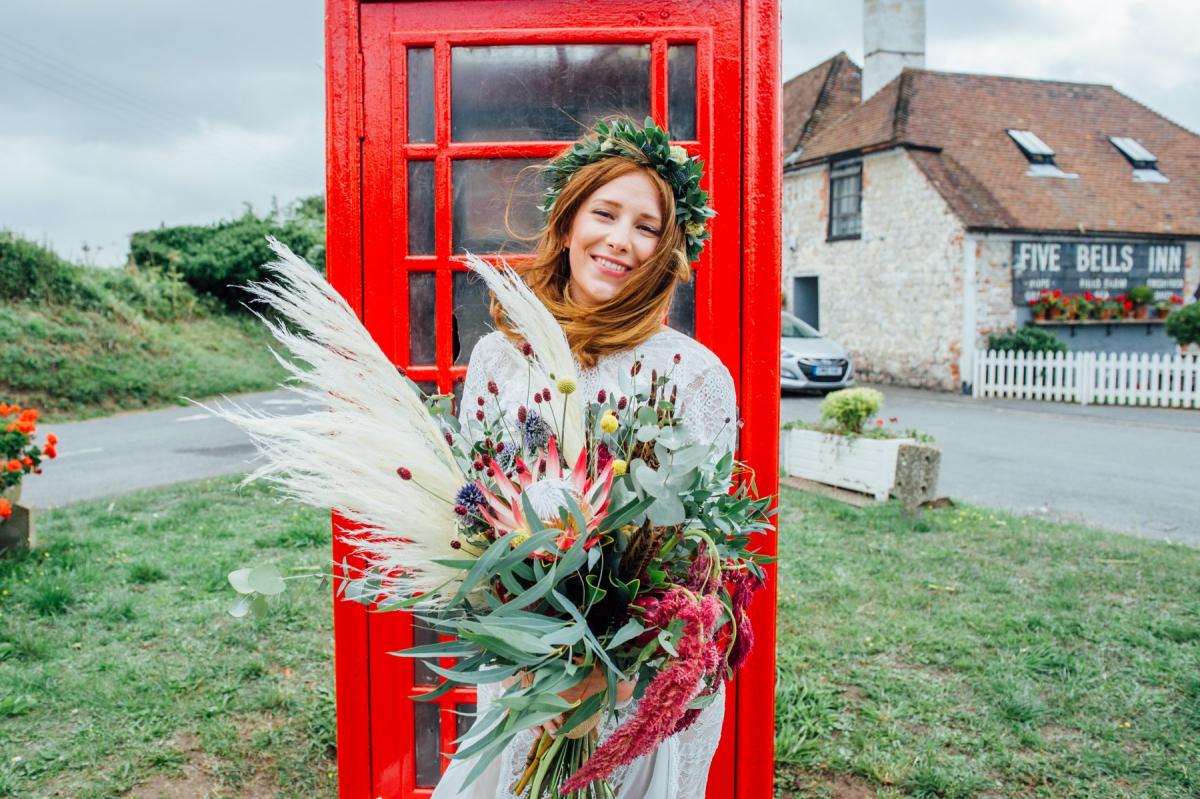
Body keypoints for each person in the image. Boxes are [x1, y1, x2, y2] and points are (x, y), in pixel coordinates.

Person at [431, 118, 737, 799]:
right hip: (524, 678)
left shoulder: (694, 374)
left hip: (637, 692)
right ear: (568, 223)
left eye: (647, 226)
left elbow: (704, 554)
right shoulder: (499, 358)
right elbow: (471, 519)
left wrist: (613, 670)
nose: (621, 239)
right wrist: (523, 651)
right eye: (605, 213)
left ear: (666, 249)